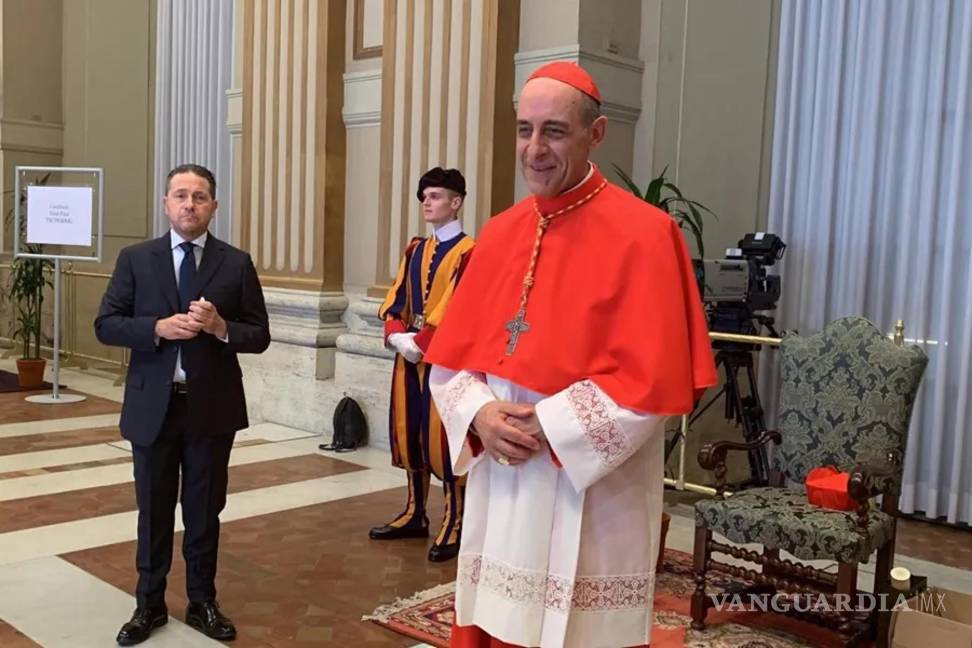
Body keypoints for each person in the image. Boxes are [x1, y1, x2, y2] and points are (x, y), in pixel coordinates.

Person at [425, 63, 717, 647]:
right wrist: (481, 414)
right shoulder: (500, 233)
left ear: (595, 133)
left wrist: (552, 426)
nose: (534, 149)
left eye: (554, 131)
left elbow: (653, 381)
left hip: (592, 486)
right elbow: (453, 358)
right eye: (525, 130)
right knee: (497, 620)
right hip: (504, 476)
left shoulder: (647, 235)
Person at [95, 163, 270, 645]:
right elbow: (106, 324)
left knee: (204, 509)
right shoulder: (136, 258)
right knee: (153, 511)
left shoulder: (236, 263)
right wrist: (156, 328)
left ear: (214, 206)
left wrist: (221, 328)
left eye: (199, 196)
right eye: (180, 195)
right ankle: (148, 605)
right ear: (165, 204)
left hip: (210, 408)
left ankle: (201, 601)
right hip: (154, 407)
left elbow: (259, 335)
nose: (189, 204)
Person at [369, 167, 475, 562]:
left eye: (435, 196)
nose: (427, 203)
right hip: (408, 354)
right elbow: (397, 297)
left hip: (445, 359)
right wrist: (396, 334)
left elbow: (457, 306)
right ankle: (415, 512)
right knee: (409, 429)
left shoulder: (470, 251)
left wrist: (423, 343)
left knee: (444, 437)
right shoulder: (415, 248)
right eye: (424, 197)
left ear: (456, 202)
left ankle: (455, 520)